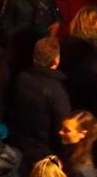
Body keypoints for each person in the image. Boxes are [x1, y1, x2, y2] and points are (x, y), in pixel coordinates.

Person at [12, 37, 73, 168]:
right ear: (56, 60)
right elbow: (61, 125)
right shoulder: (57, 91)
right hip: (45, 151)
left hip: (21, 144)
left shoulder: (21, 78)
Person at [2, 0, 62, 69]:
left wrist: (55, 25)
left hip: (41, 41)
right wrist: (13, 37)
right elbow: (6, 21)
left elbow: (55, 13)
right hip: (20, 43)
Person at [59, 111, 97, 177]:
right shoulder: (74, 154)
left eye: (67, 130)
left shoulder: (82, 168)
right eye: (62, 128)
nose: (60, 132)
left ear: (82, 134)